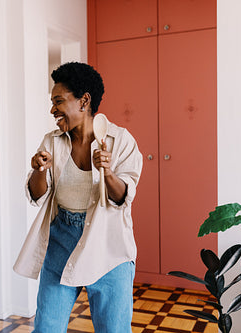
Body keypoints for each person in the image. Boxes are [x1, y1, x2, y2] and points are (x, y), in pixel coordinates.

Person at [13, 62, 143, 332]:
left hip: (109, 247)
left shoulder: (121, 141)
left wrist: (107, 172)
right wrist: (39, 170)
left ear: (84, 100)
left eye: (58, 101)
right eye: (52, 102)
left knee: (114, 330)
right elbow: (37, 195)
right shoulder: (52, 141)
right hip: (61, 240)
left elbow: (123, 197)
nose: (52, 110)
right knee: (46, 327)